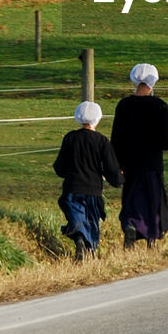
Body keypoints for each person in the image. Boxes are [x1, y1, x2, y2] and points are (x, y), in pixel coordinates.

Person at [110, 63, 168, 249]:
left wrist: (118, 163)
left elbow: (116, 138)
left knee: (132, 199)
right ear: (153, 81)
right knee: (153, 203)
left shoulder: (124, 106)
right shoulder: (160, 106)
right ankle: (151, 239)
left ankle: (130, 225)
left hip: (130, 164)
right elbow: (167, 140)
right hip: (152, 164)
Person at [53, 101, 122, 261]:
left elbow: (60, 166)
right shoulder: (102, 141)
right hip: (93, 190)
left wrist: (66, 172)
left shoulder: (70, 138)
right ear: (98, 119)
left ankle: (78, 237)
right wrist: (119, 179)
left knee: (76, 217)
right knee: (91, 222)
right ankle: (88, 248)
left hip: (72, 188)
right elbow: (111, 168)